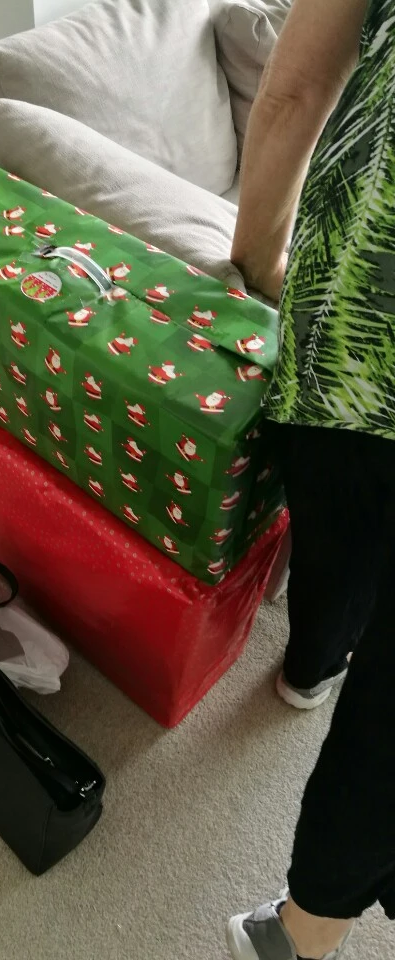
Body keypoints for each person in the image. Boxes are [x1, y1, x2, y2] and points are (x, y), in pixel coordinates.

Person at [226, 0, 395, 957]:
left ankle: (305, 927)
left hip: (356, 308)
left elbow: (294, 88)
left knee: (334, 513)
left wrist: (256, 256)